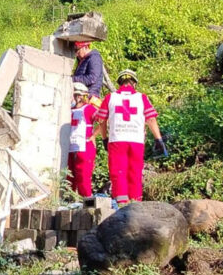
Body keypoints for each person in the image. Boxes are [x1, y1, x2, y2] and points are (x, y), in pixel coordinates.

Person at [97, 69, 167, 207]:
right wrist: (158, 139)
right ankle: (136, 204)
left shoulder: (110, 97)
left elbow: (101, 120)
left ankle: (121, 203)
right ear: (134, 83)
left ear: (119, 83)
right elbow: (151, 119)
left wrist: (104, 138)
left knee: (118, 172)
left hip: (117, 140)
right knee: (135, 172)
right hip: (136, 141)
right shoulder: (142, 97)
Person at [67, 82, 101, 198]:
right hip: (69, 147)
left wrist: (93, 136)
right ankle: (69, 201)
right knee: (69, 177)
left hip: (84, 146)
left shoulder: (89, 108)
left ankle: (87, 203)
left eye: (78, 95)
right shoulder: (69, 109)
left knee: (83, 176)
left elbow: (103, 121)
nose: (76, 97)